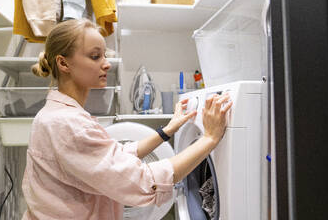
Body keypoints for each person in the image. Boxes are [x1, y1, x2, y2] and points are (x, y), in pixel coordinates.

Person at [22, 19, 232, 220]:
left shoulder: (57, 115)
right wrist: (209, 138)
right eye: (95, 57)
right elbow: (145, 181)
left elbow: (114, 157)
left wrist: (166, 132)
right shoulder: (67, 124)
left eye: (104, 55)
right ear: (63, 63)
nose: (106, 64)